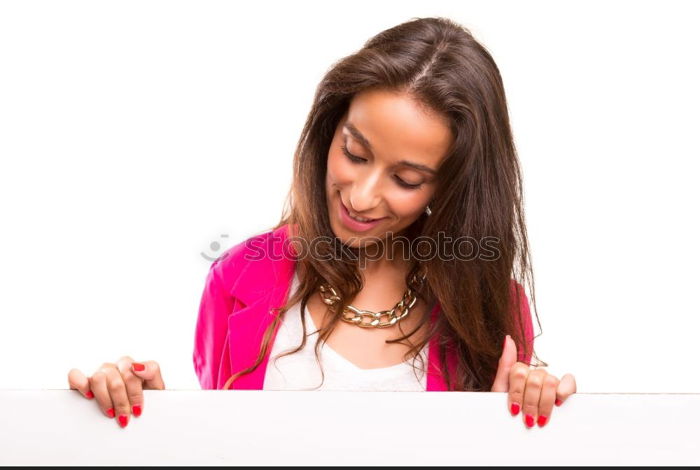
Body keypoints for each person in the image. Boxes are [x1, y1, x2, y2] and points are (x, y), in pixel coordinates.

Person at [67, 16, 577, 430]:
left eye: (405, 178)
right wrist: (149, 428)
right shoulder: (238, 275)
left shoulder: (492, 308)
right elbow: (218, 459)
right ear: (330, 129)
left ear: (451, 187)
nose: (361, 196)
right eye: (354, 153)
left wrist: (529, 429)